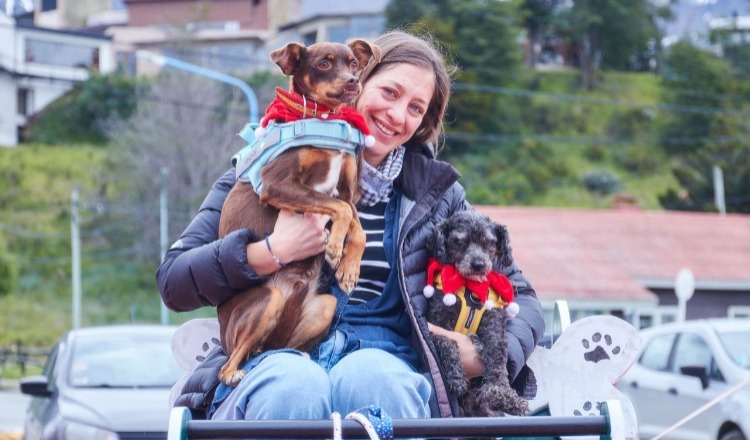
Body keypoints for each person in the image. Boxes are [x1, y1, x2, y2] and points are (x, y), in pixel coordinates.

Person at [157, 30, 545, 422]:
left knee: (374, 379)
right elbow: (173, 281)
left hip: (383, 356)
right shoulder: (271, 158)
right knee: (292, 385)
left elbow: (521, 296)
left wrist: (485, 354)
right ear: (358, 79)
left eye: (415, 108)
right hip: (274, 352)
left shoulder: (436, 195)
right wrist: (270, 252)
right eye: (389, 92)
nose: (397, 115)